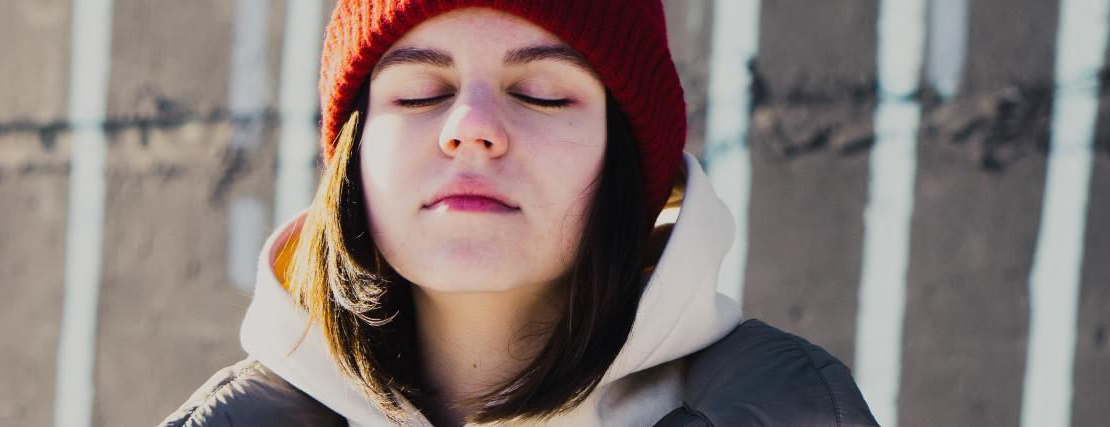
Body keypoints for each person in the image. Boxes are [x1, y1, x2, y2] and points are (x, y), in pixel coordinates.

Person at [164, 1, 877, 426]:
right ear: (352, 155)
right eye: (419, 92)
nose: (470, 126)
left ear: (626, 159)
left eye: (539, 91)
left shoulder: (788, 410)